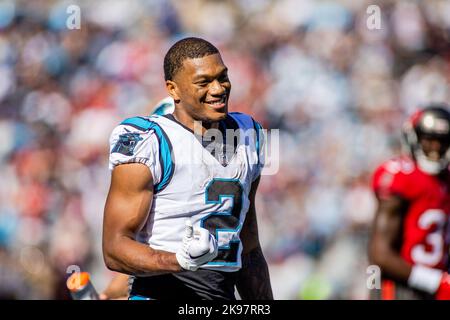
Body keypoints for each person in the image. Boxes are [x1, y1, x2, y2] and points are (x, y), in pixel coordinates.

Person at [102, 37, 273, 300]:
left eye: (223, 77)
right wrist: (177, 260)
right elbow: (114, 248)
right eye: (204, 82)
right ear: (173, 89)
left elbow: (248, 245)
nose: (218, 89)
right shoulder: (149, 139)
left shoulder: (251, 133)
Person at [369, 105, 450, 300]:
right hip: (400, 287)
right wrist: (435, 282)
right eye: (429, 140)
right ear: (414, 138)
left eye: (442, 141)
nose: (435, 148)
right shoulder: (402, 176)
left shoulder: (446, 180)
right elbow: (379, 255)